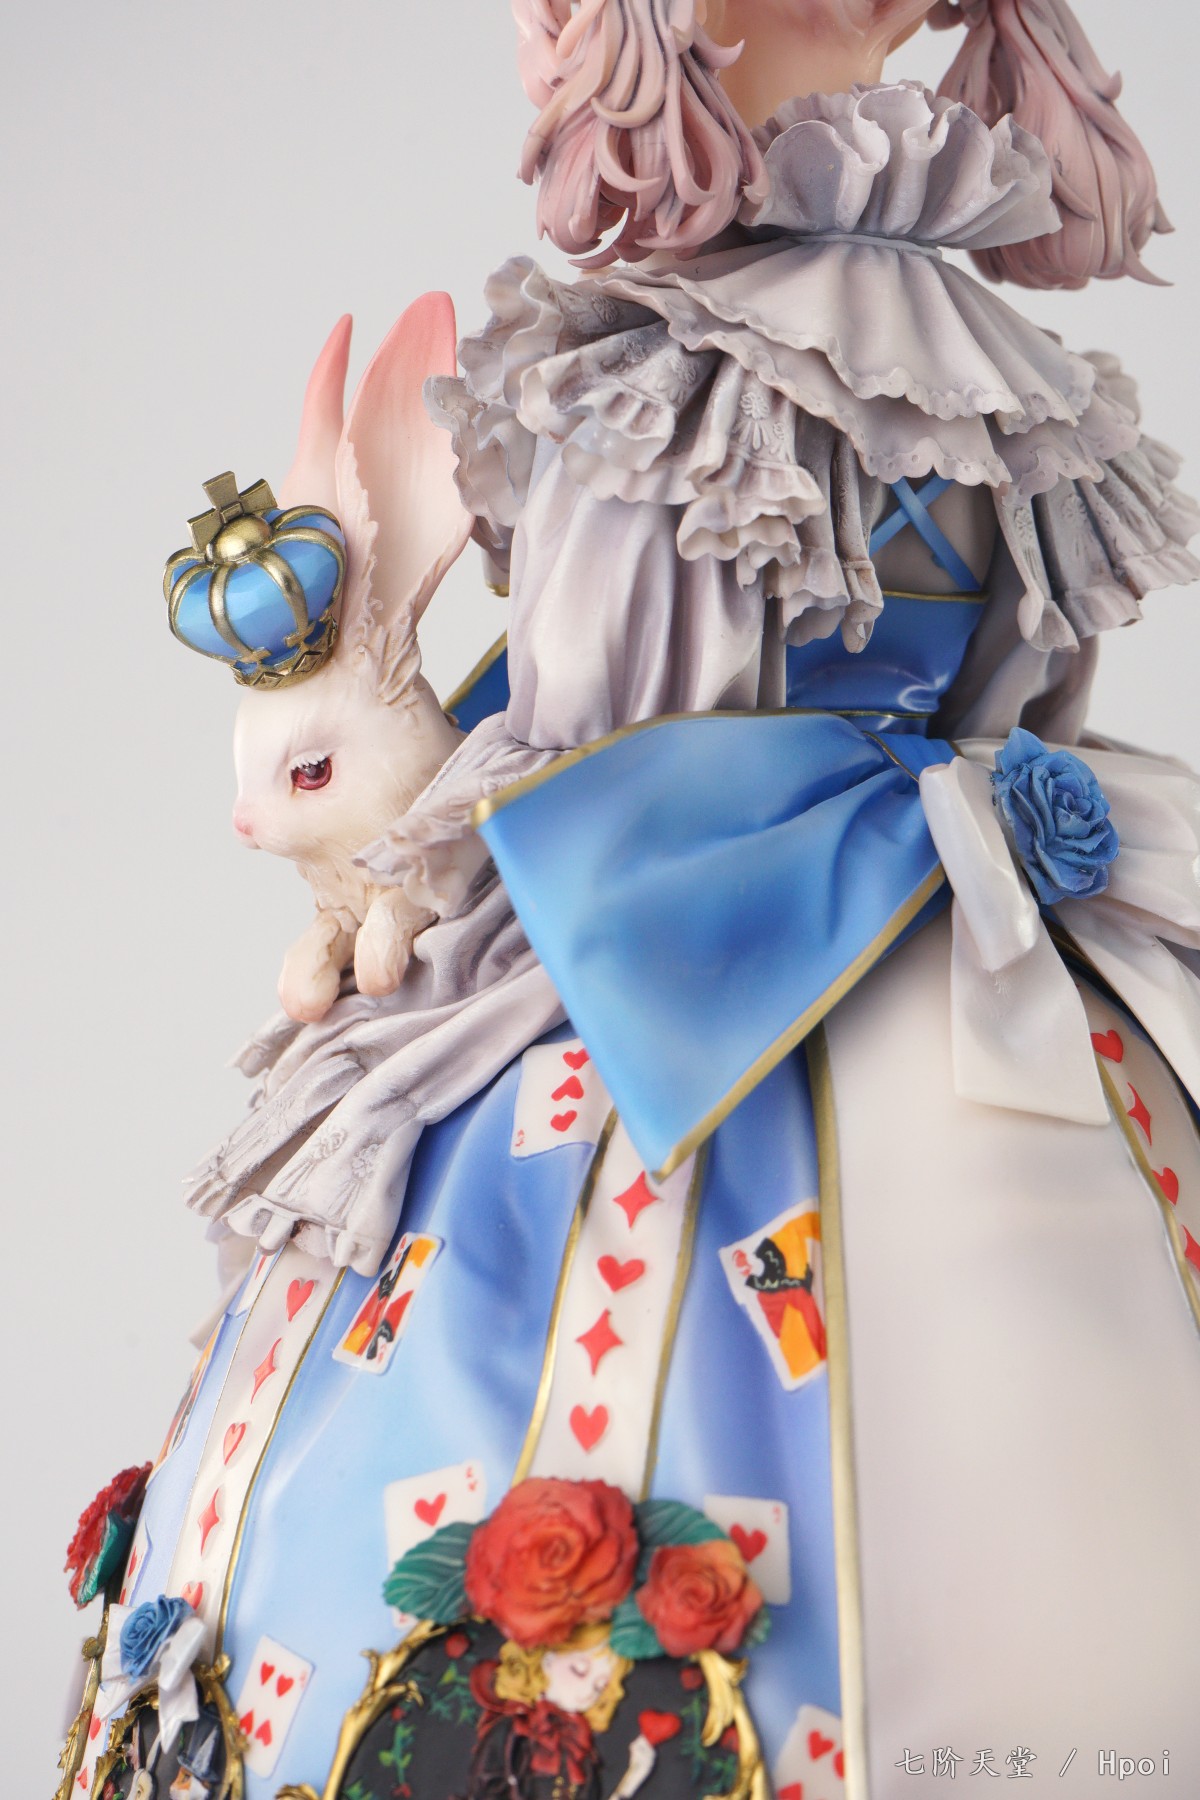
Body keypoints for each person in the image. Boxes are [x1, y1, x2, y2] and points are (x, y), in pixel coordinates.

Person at [57, 3, 1200, 1796]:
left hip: (673, 953)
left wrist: (436, 841)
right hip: (991, 958)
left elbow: (599, 728)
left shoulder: (663, 374)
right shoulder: (1000, 369)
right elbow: (1023, 695)